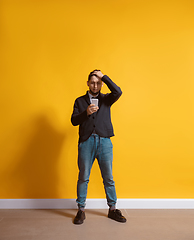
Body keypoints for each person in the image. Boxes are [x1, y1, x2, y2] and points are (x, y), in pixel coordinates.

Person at [71, 70, 126, 224]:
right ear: (88, 83)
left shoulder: (106, 99)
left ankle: (113, 209)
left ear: (101, 83)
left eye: (98, 82)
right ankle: (81, 210)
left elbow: (118, 91)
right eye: (92, 82)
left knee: (108, 178)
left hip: (105, 142)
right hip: (86, 142)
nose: (95, 85)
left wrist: (104, 76)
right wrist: (86, 113)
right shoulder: (80, 101)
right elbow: (74, 121)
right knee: (83, 177)